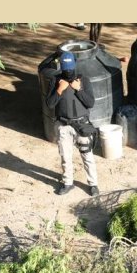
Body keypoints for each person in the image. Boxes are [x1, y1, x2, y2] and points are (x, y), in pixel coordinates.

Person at [45, 51, 98, 196]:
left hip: (82, 125)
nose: (68, 71)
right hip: (63, 126)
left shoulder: (84, 80)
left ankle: (93, 184)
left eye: (70, 68)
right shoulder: (55, 81)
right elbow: (50, 104)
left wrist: (78, 89)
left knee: (87, 156)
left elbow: (90, 103)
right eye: (65, 68)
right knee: (65, 157)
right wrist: (59, 90)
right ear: (61, 67)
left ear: (74, 65)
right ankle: (68, 183)